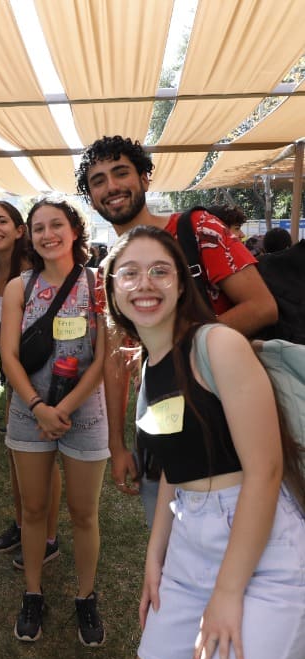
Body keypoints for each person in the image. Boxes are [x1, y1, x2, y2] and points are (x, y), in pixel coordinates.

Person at [103, 225, 305, 659]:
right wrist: (157, 556)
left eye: (160, 271)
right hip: (188, 550)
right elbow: (178, 462)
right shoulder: (148, 362)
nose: (144, 284)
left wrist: (229, 592)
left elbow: (265, 471)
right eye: (128, 273)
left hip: (265, 554)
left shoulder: (217, 344)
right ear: (111, 291)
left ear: (181, 284)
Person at [75, 135, 278, 506]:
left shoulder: (197, 229)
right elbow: (116, 357)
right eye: (98, 180)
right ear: (91, 196)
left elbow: (262, 306)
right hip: (162, 409)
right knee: (170, 522)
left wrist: (183, 353)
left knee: (244, 506)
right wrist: (116, 444)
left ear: (145, 178)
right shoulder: (108, 272)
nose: (112, 187)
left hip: (231, 403)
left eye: (121, 173)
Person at [0, 197, 109, 643]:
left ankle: (86, 597)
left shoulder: (97, 284)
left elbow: (103, 358)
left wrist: (63, 408)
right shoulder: (18, 288)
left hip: (85, 414)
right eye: (38, 227)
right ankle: (32, 593)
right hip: (29, 413)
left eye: (56, 225)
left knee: (84, 512)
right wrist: (38, 406)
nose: (47, 234)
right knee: (33, 510)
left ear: (74, 230)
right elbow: (8, 354)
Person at [0, 201, 62, 570]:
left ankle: (48, 537)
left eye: (1, 221)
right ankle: (24, 525)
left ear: (20, 230)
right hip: (16, 372)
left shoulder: (37, 269)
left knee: (42, 458)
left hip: (49, 373)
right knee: (15, 453)